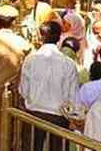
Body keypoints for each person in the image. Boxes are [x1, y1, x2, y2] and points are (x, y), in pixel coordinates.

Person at [19, 21, 79, 151]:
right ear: (59, 37)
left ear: (41, 36)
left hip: (33, 116)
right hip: (58, 119)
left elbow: (23, 91)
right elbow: (73, 97)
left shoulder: (30, 59)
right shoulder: (69, 64)